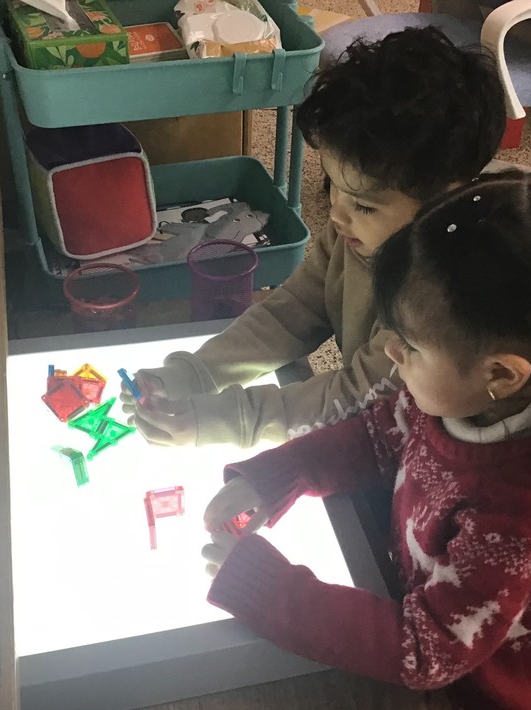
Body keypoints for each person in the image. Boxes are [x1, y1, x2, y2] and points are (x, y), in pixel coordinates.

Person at [200, 171, 531, 710]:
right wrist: (275, 476)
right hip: (445, 639)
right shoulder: (459, 393)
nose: (391, 355)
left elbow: (424, 653)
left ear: (501, 374)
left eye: (410, 346)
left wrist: (268, 588)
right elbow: (378, 434)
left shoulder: (522, 518)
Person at [123, 27, 507, 447]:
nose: (337, 214)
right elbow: (292, 311)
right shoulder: (364, 233)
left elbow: (359, 399)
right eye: (331, 184)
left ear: (446, 200)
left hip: (434, 452)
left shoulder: (443, 297)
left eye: (364, 205)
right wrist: (195, 374)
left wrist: (228, 420)